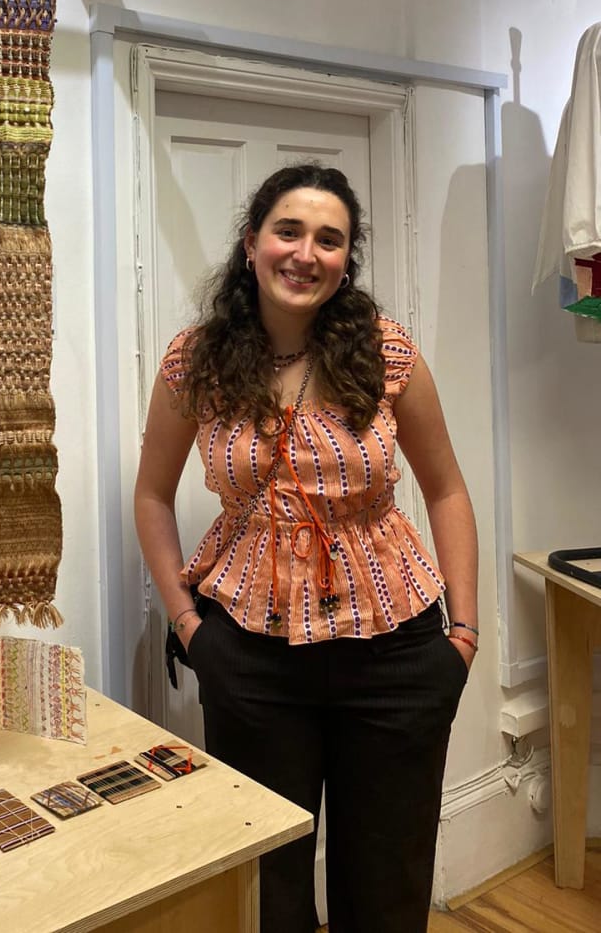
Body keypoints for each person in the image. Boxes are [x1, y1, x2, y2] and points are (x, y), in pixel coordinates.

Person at [134, 163, 478, 933]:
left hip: (397, 653)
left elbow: (448, 489)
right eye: (289, 230)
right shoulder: (195, 362)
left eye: (330, 238)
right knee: (267, 884)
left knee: (386, 887)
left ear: (345, 258)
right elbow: (152, 496)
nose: (305, 252)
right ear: (253, 242)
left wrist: (464, 634)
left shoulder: (387, 355)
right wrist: (191, 628)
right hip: (251, 656)